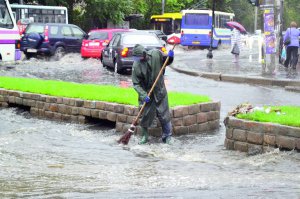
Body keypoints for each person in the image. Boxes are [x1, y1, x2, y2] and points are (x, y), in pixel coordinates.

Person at [131, 44, 174, 144]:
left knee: (164, 114)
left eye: (138, 57)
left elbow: (166, 61)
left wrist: (170, 57)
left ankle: (167, 136)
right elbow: (136, 84)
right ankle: (145, 136)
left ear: (144, 54)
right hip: (147, 93)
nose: (137, 59)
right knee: (145, 114)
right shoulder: (136, 65)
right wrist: (143, 95)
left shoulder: (156, 54)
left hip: (159, 90)